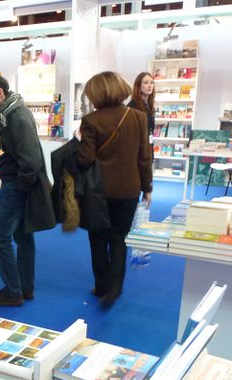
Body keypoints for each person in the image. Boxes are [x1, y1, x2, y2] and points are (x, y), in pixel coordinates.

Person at [0, 73, 55, 307]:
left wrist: (19, 186)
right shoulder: (10, 112)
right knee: (22, 235)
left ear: (0, 93)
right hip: (19, 183)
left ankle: (13, 290)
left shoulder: (16, 116)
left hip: (17, 186)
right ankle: (25, 287)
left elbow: (30, 158)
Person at [77, 71, 152, 306]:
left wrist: (79, 141)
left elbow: (85, 160)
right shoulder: (138, 117)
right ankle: (115, 288)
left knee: (97, 239)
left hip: (98, 192)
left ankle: (101, 286)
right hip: (128, 190)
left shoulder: (91, 121)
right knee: (119, 238)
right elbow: (144, 157)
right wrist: (147, 186)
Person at [128, 72, 155, 144]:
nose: (150, 86)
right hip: (138, 149)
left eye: (152, 83)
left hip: (148, 145)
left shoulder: (150, 106)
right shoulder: (132, 107)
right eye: (146, 83)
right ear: (138, 86)